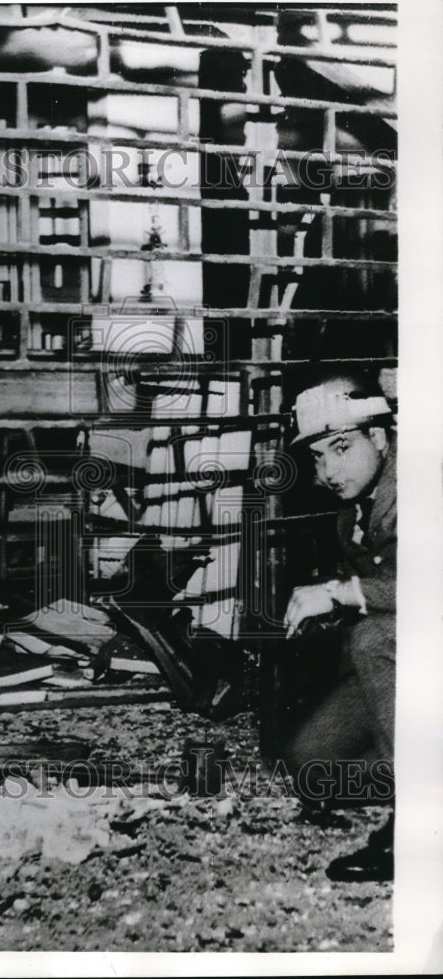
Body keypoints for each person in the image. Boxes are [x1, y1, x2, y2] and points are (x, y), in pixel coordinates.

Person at [282, 372, 396, 882]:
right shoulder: (349, 513)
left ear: (379, 437)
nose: (328, 469)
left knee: (374, 640)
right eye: (318, 456)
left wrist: (340, 593)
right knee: (311, 764)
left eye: (341, 447)